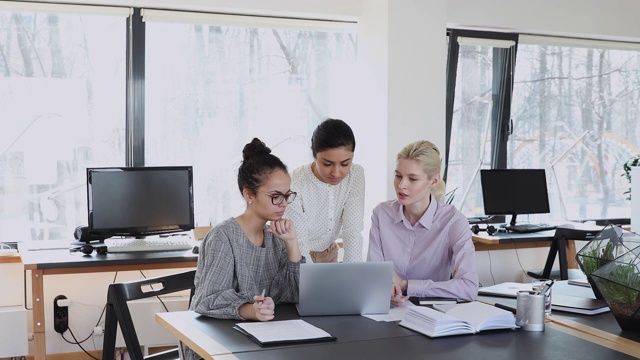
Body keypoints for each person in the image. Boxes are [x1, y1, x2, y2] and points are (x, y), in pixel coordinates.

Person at [189, 138, 303, 322]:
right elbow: (207, 299)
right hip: (216, 338)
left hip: (264, 333)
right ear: (249, 194)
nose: (283, 203)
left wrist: (292, 243)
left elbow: (292, 295)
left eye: (287, 195)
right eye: (275, 196)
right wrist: (251, 310)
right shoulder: (223, 236)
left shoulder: (276, 237)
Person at [367, 140, 479, 305]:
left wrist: (407, 285)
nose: (401, 185)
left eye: (412, 179)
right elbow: (373, 274)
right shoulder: (381, 214)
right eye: (398, 175)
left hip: (433, 315)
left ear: (433, 181)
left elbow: (469, 288)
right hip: (386, 311)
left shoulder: (453, 222)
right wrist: (387, 289)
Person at [283, 118, 365, 263]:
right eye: (327, 164)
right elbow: (298, 241)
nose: (336, 173)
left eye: (345, 163)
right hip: (296, 255)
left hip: (329, 252)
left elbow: (353, 231)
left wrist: (353, 275)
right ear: (313, 152)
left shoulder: (355, 174)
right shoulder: (295, 182)